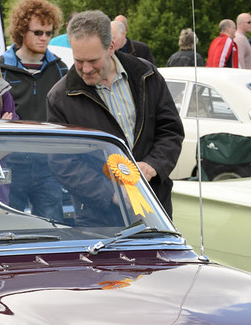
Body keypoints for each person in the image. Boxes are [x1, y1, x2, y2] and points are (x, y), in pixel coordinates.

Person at [46, 10, 183, 216]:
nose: (86, 69)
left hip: (155, 202)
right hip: (99, 216)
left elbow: (170, 130)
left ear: (111, 47)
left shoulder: (147, 75)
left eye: (93, 60)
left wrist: (153, 164)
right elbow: (62, 162)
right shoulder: (60, 97)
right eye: (79, 60)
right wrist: (110, 194)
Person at [0, 0, 68, 220]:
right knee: (10, 227)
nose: (44, 38)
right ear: (22, 30)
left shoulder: (60, 69)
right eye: (38, 32)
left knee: (53, 226)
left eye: (49, 33)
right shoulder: (0, 69)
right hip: (11, 162)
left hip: (49, 164)